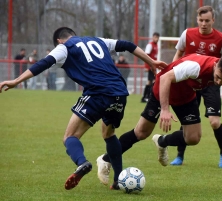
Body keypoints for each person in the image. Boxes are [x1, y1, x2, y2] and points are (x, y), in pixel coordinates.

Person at [0, 27, 167, 190]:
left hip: (98, 93)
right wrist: (151, 62)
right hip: (120, 92)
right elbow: (128, 45)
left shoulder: (64, 47)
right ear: (74, 34)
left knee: (69, 136)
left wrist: (16, 81)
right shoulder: (97, 40)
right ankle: (117, 180)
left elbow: (43, 63)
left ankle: (82, 163)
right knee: (109, 133)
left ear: (59, 40)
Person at [96, 54, 222, 187]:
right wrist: (165, 110)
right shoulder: (195, 67)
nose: (218, 83)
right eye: (217, 78)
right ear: (216, 64)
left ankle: (162, 141)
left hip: (186, 96)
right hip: (162, 89)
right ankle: (104, 160)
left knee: (193, 138)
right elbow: (166, 78)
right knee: (141, 132)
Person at [170, 5, 222, 167]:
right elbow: (178, 54)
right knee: (186, 122)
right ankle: (179, 156)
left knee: (214, 122)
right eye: (201, 20)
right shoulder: (187, 34)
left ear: (213, 20)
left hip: (211, 84)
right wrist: (172, 72)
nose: (204, 24)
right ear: (197, 20)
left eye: (207, 21)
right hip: (189, 83)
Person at [141, 32, 160, 103]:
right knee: (152, 81)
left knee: (150, 81)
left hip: (153, 66)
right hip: (150, 66)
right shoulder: (150, 45)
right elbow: (146, 56)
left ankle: (145, 97)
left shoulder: (156, 45)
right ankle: (147, 97)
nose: (156, 39)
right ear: (153, 37)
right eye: (155, 37)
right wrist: (146, 66)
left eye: (157, 37)